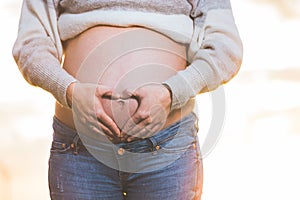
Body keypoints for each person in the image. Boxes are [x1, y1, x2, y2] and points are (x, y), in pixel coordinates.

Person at [12, 0, 243, 199]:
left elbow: (225, 48)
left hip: (166, 146)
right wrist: (70, 91)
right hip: (79, 149)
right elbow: (31, 44)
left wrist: (170, 93)